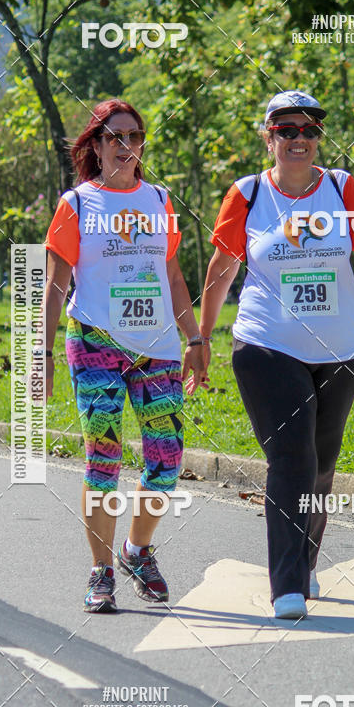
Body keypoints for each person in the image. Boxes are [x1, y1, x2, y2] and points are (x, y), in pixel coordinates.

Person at [199, 90, 354, 619]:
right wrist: (201, 339)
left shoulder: (341, 187)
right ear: (269, 137)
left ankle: (305, 560)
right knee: (292, 459)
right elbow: (222, 270)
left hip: (341, 350)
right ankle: (286, 586)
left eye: (310, 130)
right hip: (268, 345)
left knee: (322, 465)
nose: (300, 139)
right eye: (287, 130)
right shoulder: (247, 194)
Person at [42, 98, 207, 613]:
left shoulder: (159, 200)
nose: (126, 145)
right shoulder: (77, 203)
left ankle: (137, 550)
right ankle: (101, 570)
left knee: (166, 459)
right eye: (115, 136)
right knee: (104, 458)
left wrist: (195, 339)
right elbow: (55, 284)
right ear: (96, 144)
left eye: (134, 136)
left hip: (157, 349)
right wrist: (42, 352)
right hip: (96, 343)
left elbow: (173, 276)